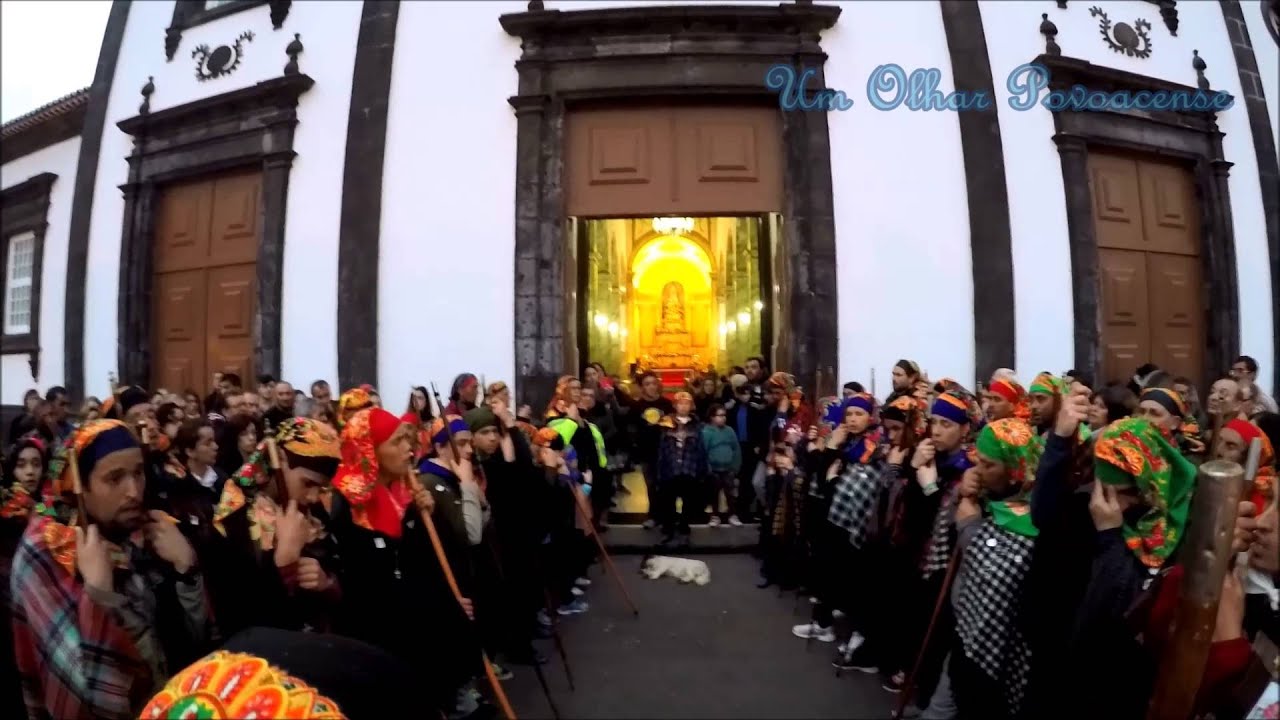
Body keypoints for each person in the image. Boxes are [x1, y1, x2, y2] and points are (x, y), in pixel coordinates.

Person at [10, 419, 214, 718]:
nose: (134, 491)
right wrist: (99, 597)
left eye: (138, 473)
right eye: (114, 478)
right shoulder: (47, 553)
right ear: (79, 487)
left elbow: (195, 644)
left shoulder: (143, 532)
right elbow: (84, 703)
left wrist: (187, 569)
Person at [328, 407, 484, 718]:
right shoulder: (348, 502)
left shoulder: (407, 492)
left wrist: (425, 515)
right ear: (370, 449)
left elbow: (427, 562)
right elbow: (369, 578)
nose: (408, 449)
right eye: (397, 442)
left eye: (408, 440)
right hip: (378, 638)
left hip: (417, 631)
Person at [204, 417, 343, 638]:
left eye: (322, 487)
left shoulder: (314, 513)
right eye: (308, 483)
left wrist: (327, 584)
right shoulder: (234, 523)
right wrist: (284, 563)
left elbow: (340, 574)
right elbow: (236, 616)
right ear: (278, 460)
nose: (313, 496)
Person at [949, 418, 1043, 719]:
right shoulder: (995, 494)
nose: (979, 471)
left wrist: (968, 527)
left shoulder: (1033, 518)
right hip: (966, 634)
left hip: (996, 657)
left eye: (988, 465)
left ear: (1015, 469)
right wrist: (963, 490)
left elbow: (995, 577)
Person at [0, 433, 48, 719]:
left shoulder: (57, 510)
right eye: (21, 465)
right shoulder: (4, 516)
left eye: (36, 463)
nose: (30, 472)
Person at [656, 391, 708, 549]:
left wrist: (702, 469)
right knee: (668, 501)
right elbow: (661, 447)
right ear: (675, 405)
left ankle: (684, 531)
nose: (683, 406)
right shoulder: (666, 423)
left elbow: (701, 448)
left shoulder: (698, 424)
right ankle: (669, 531)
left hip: (689, 467)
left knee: (688, 502)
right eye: (680, 403)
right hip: (670, 467)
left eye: (687, 403)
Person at [627, 371, 674, 529]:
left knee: (666, 484)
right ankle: (654, 516)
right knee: (651, 485)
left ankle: (667, 516)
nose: (651, 387)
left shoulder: (666, 404)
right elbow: (631, 428)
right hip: (646, 451)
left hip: (665, 451)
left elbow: (673, 425)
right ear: (642, 387)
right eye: (647, 384)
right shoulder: (636, 406)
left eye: (654, 383)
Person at [701, 403, 742, 527]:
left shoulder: (729, 431)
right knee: (714, 492)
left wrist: (735, 466)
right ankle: (715, 516)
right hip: (713, 469)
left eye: (724, 415)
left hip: (728, 468)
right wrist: (707, 468)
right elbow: (703, 452)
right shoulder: (706, 432)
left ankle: (732, 515)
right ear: (712, 417)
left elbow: (736, 449)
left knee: (731, 492)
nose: (723, 418)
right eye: (720, 415)